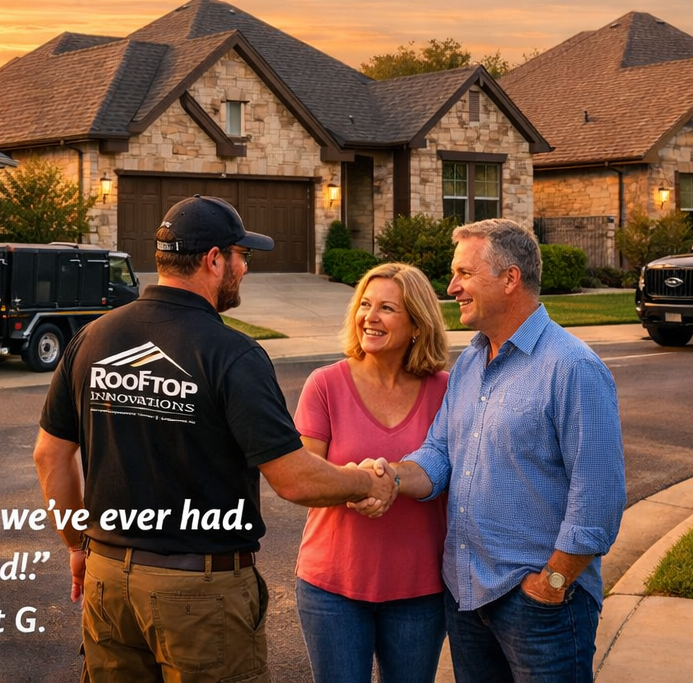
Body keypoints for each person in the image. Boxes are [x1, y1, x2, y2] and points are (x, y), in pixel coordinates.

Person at [33, 195, 398, 683]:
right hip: (199, 593)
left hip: (107, 580)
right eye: (241, 255)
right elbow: (294, 479)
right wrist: (366, 483)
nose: (244, 268)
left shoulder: (93, 339)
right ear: (213, 260)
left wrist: (77, 545)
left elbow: (50, 457)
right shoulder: (233, 354)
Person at [388, 218, 626, 683]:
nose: (452, 286)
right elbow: (440, 452)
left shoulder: (573, 367)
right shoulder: (473, 361)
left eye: (464, 274)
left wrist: (552, 584)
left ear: (510, 278)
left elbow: (597, 500)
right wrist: (390, 478)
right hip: (466, 595)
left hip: (539, 608)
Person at [293, 262, 450, 683]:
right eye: (365, 304)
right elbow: (306, 477)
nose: (370, 317)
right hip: (332, 586)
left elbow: (450, 471)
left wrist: (385, 480)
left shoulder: (446, 390)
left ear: (417, 324)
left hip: (420, 588)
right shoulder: (324, 384)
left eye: (387, 308)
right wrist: (363, 481)